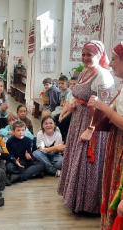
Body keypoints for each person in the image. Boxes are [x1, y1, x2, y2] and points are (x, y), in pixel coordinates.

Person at [57, 40, 114, 214]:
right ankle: (75, 199)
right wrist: (73, 104)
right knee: (76, 159)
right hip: (78, 120)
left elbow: (104, 106)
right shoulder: (84, 73)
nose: (85, 58)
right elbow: (79, 96)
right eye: (83, 54)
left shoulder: (103, 76)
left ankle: (87, 204)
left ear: (99, 55)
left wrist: (91, 129)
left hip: (92, 123)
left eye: (89, 55)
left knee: (87, 162)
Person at [86, 42, 123, 229]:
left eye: (115, 59)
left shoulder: (103, 75)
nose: (111, 63)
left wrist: (103, 108)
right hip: (116, 141)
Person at [57, 76, 78, 142]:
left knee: (64, 121)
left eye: (74, 84)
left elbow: (71, 109)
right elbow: (66, 106)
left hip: (74, 112)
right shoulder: (70, 93)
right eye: (71, 84)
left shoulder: (77, 94)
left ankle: (67, 139)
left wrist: (63, 116)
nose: (72, 86)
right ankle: (60, 138)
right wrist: (61, 115)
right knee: (56, 118)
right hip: (69, 111)